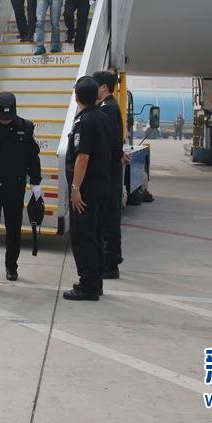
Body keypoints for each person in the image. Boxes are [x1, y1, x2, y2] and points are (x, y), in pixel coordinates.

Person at [0, 92, 41, 291]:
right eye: (2, 116)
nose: (6, 119)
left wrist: (36, 184)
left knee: (14, 228)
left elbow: (33, 158)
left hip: (15, 187)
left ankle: (11, 265)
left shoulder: (26, 127)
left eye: (9, 116)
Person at [64, 76, 112, 301]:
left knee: (82, 236)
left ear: (77, 97)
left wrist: (75, 188)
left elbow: (82, 157)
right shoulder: (103, 117)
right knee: (95, 235)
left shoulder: (84, 121)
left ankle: (88, 285)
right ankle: (95, 281)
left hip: (87, 189)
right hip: (102, 186)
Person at [93, 71, 125, 279]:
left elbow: (109, 140)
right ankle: (108, 260)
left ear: (104, 87)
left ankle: (110, 263)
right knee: (107, 217)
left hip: (109, 172)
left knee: (109, 218)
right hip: (111, 168)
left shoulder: (108, 109)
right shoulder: (107, 107)